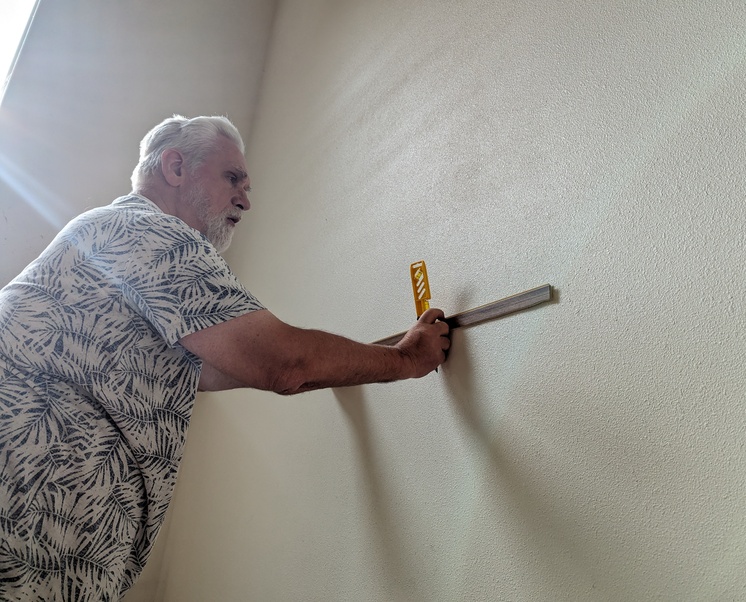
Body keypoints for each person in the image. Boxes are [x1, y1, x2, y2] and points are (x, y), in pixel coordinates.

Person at [0, 115, 450, 600]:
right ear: (174, 167)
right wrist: (406, 360)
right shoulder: (146, 230)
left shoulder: (117, 247)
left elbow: (250, 369)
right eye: (232, 178)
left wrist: (367, 360)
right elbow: (281, 363)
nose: (245, 199)